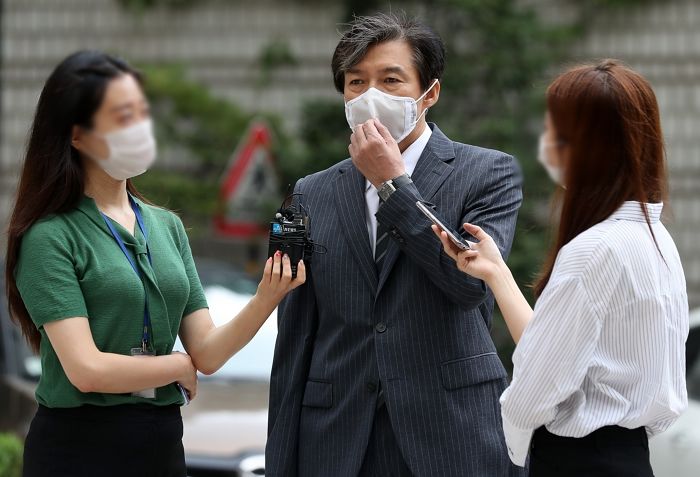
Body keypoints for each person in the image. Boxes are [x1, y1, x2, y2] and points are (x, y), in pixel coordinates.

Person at [4, 50, 305, 477]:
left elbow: (209, 352)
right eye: (121, 117)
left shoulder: (167, 227)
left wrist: (267, 296)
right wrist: (177, 366)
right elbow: (86, 370)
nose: (140, 129)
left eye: (142, 114)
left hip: (160, 441)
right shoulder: (50, 236)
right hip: (79, 447)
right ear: (77, 135)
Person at [266, 12, 525, 477]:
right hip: (339, 440)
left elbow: (469, 286)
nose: (370, 97)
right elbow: (296, 334)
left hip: (449, 436)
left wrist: (392, 184)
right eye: (355, 82)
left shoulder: (488, 173)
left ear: (431, 93)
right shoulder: (311, 192)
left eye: (390, 80)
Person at [433, 59, 689, 476]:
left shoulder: (594, 250)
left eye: (558, 132)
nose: (547, 144)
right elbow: (556, 354)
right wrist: (497, 273)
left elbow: (537, 385)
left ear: (594, 145)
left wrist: (515, 435)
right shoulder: (655, 238)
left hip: (578, 460)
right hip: (627, 457)